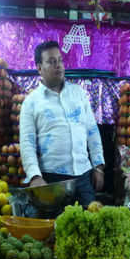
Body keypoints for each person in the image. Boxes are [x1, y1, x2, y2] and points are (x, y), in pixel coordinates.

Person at [19, 40, 105, 207]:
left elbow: (92, 131)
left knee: (90, 225)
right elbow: (27, 143)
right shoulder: (31, 102)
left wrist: (99, 166)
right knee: (57, 229)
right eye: (51, 62)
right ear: (39, 68)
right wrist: (35, 176)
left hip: (84, 176)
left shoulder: (78, 93)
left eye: (59, 60)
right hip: (53, 180)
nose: (58, 65)